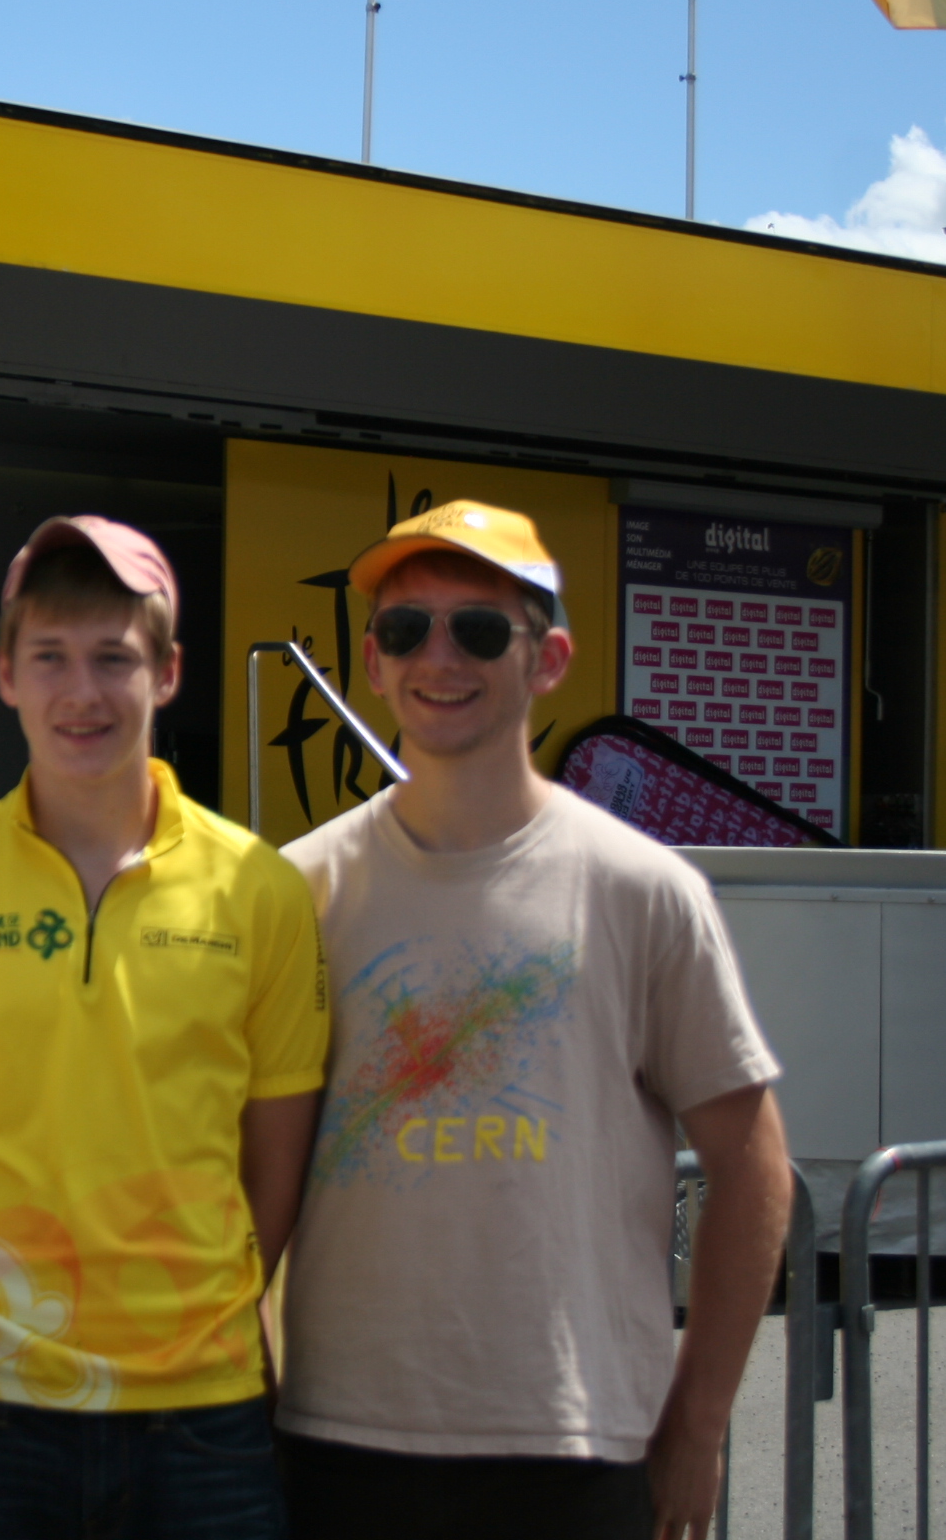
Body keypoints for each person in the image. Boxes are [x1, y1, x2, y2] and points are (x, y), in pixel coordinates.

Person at [274, 502, 794, 1540]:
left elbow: (752, 1171)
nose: (438, 657)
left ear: (547, 659)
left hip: (573, 1445)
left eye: (478, 629)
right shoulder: (298, 891)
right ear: (371, 661)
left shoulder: (642, 892)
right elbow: (251, 1175)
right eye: (404, 628)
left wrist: (698, 1421)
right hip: (336, 1443)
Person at [0, 517, 328, 1540]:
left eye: (114, 657)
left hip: (201, 1410)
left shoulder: (261, 889)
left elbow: (275, 1164)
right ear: (4, 675)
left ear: (169, 673)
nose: (83, 692)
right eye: (50, 657)